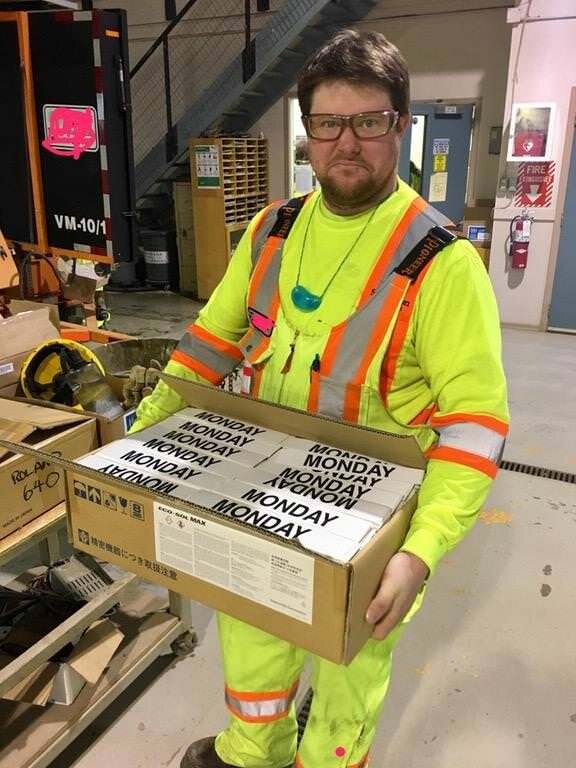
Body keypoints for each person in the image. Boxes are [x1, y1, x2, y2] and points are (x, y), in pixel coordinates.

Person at [132, 29, 509, 768]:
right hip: (261, 495)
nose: (347, 143)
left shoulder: (443, 262)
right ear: (306, 131)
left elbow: (475, 425)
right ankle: (254, 750)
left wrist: (421, 552)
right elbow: (208, 346)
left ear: (400, 124)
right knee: (250, 635)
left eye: (368, 121)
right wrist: (137, 444)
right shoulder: (271, 231)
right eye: (328, 123)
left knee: (348, 680)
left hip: (371, 528)